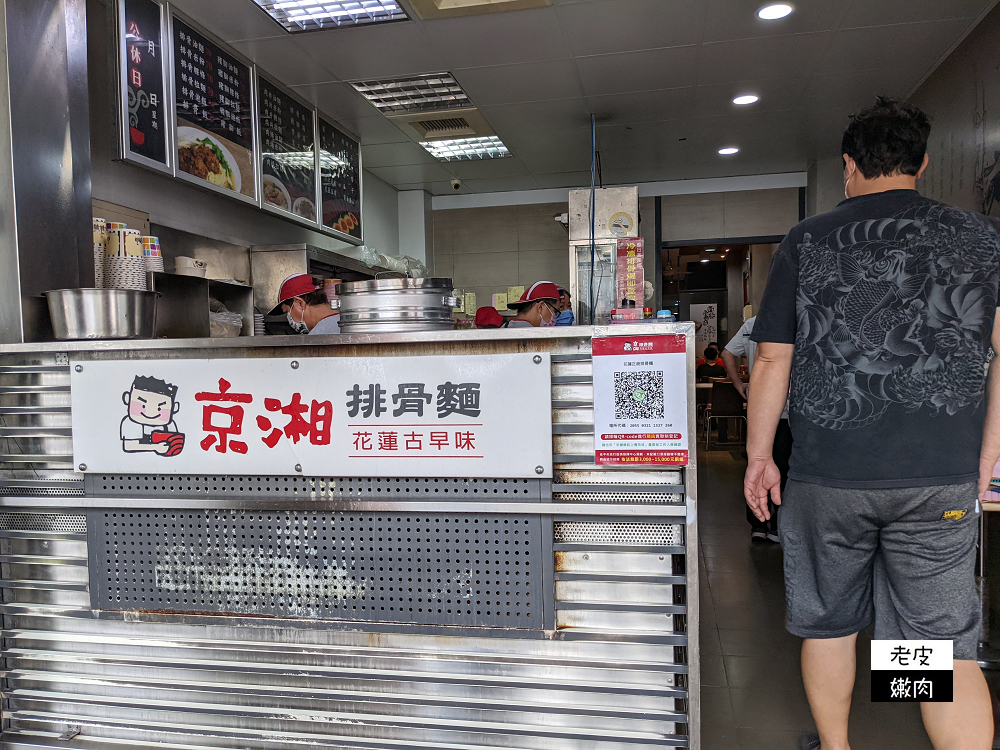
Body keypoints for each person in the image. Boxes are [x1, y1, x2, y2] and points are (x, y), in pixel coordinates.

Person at [745, 96, 999, 750]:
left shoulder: (808, 239)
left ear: (849, 166)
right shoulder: (979, 239)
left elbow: (772, 357)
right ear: (923, 162)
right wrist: (986, 459)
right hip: (939, 476)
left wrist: (759, 457)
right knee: (933, 642)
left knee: (830, 624)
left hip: (830, 475)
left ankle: (838, 748)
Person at [722, 315, 789, 543]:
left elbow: (727, 353)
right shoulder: (798, 320)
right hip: (792, 411)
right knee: (786, 467)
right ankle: (778, 525)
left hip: (759, 409)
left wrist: (739, 383)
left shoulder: (752, 324)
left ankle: (758, 524)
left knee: (756, 464)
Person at [271, 273, 340, 335]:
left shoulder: (318, 336)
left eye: (287, 312)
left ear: (300, 303)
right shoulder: (345, 321)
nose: (289, 319)